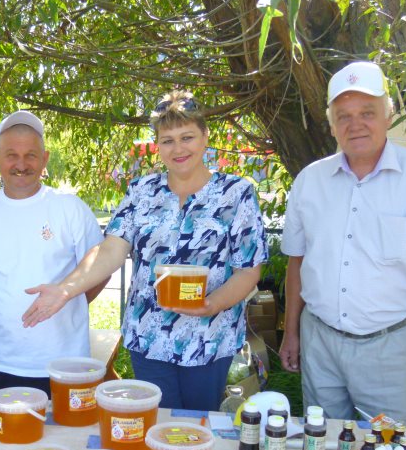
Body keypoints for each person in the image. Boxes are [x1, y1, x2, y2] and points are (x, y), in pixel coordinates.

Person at [22, 92, 268, 411]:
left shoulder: (236, 194)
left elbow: (249, 269)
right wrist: (64, 290)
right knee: (155, 424)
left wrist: (211, 305)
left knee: (196, 428)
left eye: (187, 137)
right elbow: (110, 250)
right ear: (157, 145)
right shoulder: (142, 192)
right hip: (148, 337)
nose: (178, 149)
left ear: (205, 136)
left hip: (210, 338)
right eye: (167, 140)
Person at [278, 61, 406, 437]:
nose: (356, 125)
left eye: (367, 113)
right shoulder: (310, 181)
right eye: (344, 116)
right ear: (332, 124)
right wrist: (291, 332)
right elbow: (298, 262)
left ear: (388, 115)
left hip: (389, 348)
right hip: (320, 343)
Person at [0, 110, 105, 398]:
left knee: (70, 440)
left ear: (45, 159)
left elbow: (100, 267)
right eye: (11, 155)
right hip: (3, 358)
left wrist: (68, 301)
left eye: (31, 155)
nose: (21, 164)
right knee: (10, 441)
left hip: (67, 360)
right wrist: (4, 304)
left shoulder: (69, 207)